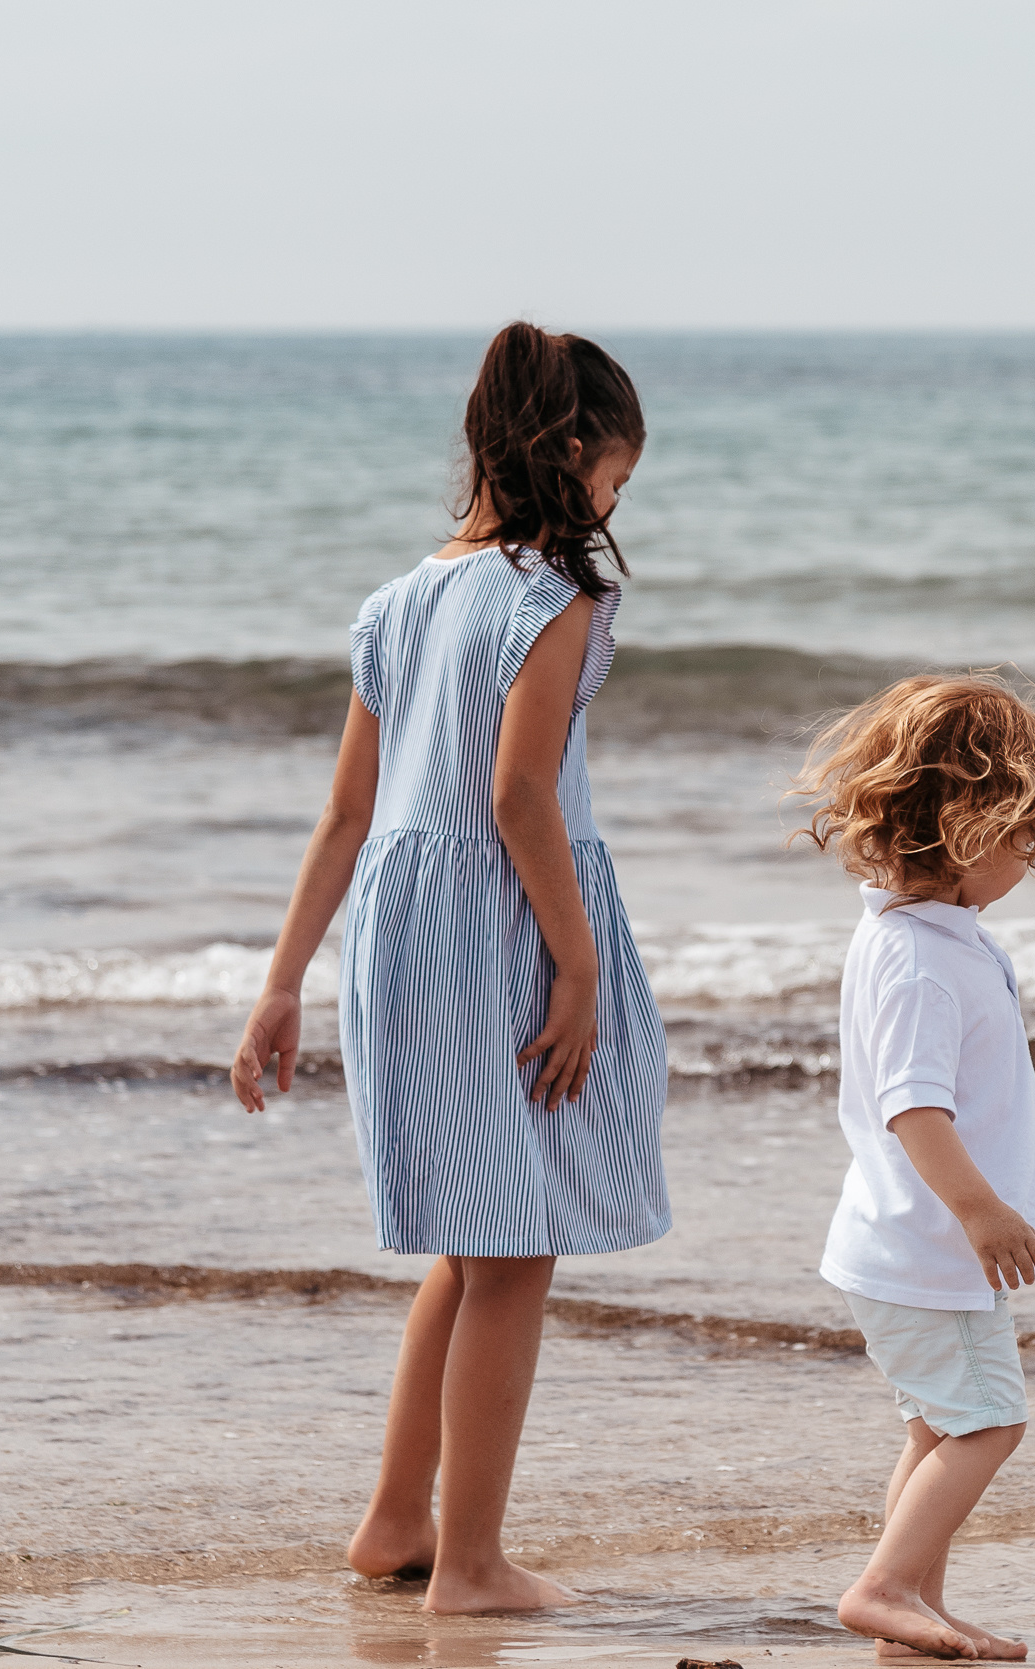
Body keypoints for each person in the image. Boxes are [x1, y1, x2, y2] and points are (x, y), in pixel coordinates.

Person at [229, 322, 670, 1614]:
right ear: (578, 450)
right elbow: (522, 794)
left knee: (470, 1245)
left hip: (397, 929)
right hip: (503, 929)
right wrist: (579, 972)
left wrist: (283, 980)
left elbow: (343, 813)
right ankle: (469, 1566)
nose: (612, 507)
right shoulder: (556, 596)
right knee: (515, 1251)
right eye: (618, 483)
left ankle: (393, 1524)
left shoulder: (401, 596)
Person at [791, 674, 1035, 1661]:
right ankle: (883, 1585)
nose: (1029, 861)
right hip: (929, 1248)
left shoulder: (926, 935)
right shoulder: (919, 959)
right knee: (988, 1425)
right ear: (970, 824)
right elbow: (911, 1107)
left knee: (941, 1427)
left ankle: (911, 1601)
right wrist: (979, 1210)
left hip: (915, 1251)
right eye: (1024, 838)